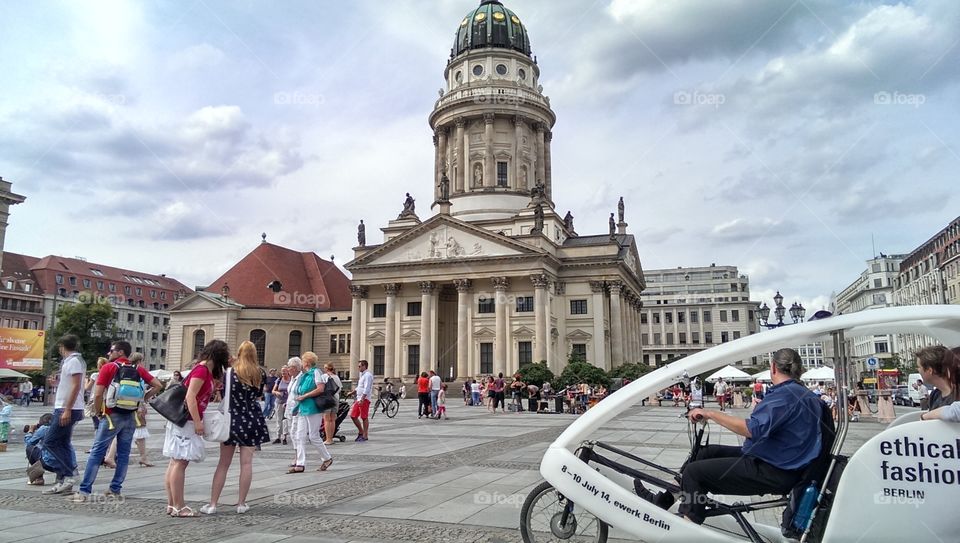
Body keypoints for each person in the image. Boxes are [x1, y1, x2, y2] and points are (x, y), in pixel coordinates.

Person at [663, 348, 823, 525]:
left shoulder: (784, 396)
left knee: (694, 473)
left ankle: (689, 524)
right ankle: (662, 501)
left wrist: (710, 413)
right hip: (779, 462)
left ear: (773, 368)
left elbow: (751, 430)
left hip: (774, 470)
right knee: (704, 453)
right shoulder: (801, 393)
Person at [74, 341, 162, 503]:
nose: (109, 353)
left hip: (111, 415)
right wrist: (143, 399)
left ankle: (84, 490)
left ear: (120, 352)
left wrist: (99, 410)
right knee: (123, 454)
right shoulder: (138, 369)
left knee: (97, 451)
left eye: (111, 351)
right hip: (130, 415)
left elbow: (99, 393)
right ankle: (115, 488)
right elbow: (157, 385)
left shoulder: (109, 367)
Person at [201, 341, 271, 515]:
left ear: (239, 353)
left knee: (223, 464)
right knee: (246, 463)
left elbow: (222, 393)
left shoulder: (230, 372)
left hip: (231, 420)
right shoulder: (260, 372)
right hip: (252, 419)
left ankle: (213, 504)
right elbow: (259, 394)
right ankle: (241, 503)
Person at [163, 339, 228, 517]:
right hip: (187, 421)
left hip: (182, 420)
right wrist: (198, 422)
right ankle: (179, 506)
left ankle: (172, 504)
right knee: (180, 462)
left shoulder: (202, 369)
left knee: (174, 461)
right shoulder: (201, 370)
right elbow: (190, 397)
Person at [40, 335, 87, 496]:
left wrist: (67, 409)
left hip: (68, 408)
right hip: (65, 406)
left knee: (49, 442)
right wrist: (56, 384)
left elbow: (76, 386)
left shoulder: (74, 361)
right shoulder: (70, 362)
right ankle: (63, 480)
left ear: (62, 346)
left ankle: (69, 474)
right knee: (63, 443)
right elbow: (70, 385)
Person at [289, 352, 334, 473]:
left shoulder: (316, 372)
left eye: (303, 361)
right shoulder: (305, 375)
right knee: (300, 435)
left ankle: (327, 458)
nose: (302, 364)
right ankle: (300, 463)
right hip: (303, 408)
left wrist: (305, 396)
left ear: (307, 362)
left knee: (313, 436)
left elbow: (320, 389)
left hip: (313, 407)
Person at [917, 345, 955, 410]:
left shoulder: (957, 396)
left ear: (930, 370)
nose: (917, 370)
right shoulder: (935, 394)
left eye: (919, 367)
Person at [25, 413, 54, 485]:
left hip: (49, 463)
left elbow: (29, 443)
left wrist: (30, 431)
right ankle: (60, 478)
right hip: (65, 465)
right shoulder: (61, 428)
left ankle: (38, 478)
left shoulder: (44, 428)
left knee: (30, 448)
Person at [349, 359, 373, 440]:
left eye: (359, 366)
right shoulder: (362, 375)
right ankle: (361, 431)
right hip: (358, 398)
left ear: (364, 366)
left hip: (364, 399)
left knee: (364, 417)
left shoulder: (368, 375)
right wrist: (353, 392)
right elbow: (360, 387)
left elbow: (367, 388)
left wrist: (363, 398)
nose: (358, 368)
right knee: (353, 415)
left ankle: (365, 435)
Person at [320, 362, 342, 445]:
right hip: (335, 398)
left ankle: (328, 438)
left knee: (326, 419)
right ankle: (331, 438)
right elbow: (339, 389)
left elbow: (320, 388)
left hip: (327, 398)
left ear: (326, 368)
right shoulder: (336, 377)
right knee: (333, 419)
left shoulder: (324, 376)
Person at [272, 365, 292, 444]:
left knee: (285, 419)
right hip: (279, 402)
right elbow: (273, 390)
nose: (283, 372)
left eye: (285, 371)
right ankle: (278, 436)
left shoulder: (291, 380)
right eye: (282, 371)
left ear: (288, 371)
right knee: (278, 419)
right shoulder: (279, 380)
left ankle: (284, 437)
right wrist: (276, 392)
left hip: (287, 402)